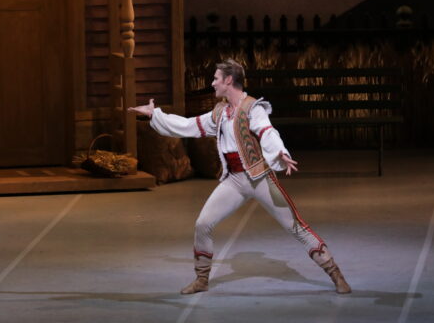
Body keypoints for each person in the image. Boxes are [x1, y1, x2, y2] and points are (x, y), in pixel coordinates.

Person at [128, 58, 351, 295]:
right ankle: (201, 279)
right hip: (234, 181)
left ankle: (335, 273)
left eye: (216, 79)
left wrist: (280, 152)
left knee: (295, 226)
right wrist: (155, 116)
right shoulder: (221, 112)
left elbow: (267, 131)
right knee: (203, 224)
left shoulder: (252, 108)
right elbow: (189, 126)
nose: (212, 83)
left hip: (259, 178)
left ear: (228, 80)